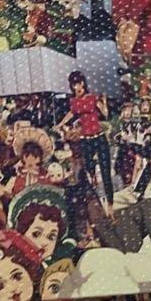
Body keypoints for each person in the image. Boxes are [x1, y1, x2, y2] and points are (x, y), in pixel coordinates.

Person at [56, 73, 114, 212]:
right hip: (86, 139)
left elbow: (105, 114)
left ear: (83, 84)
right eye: (74, 85)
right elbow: (71, 114)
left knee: (105, 171)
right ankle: (94, 184)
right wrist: (60, 124)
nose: (77, 87)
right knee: (88, 167)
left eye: (79, 84)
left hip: (99, 136)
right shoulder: (74, 101)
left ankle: (110, 203)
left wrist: (104, 102)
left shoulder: (92, 97)